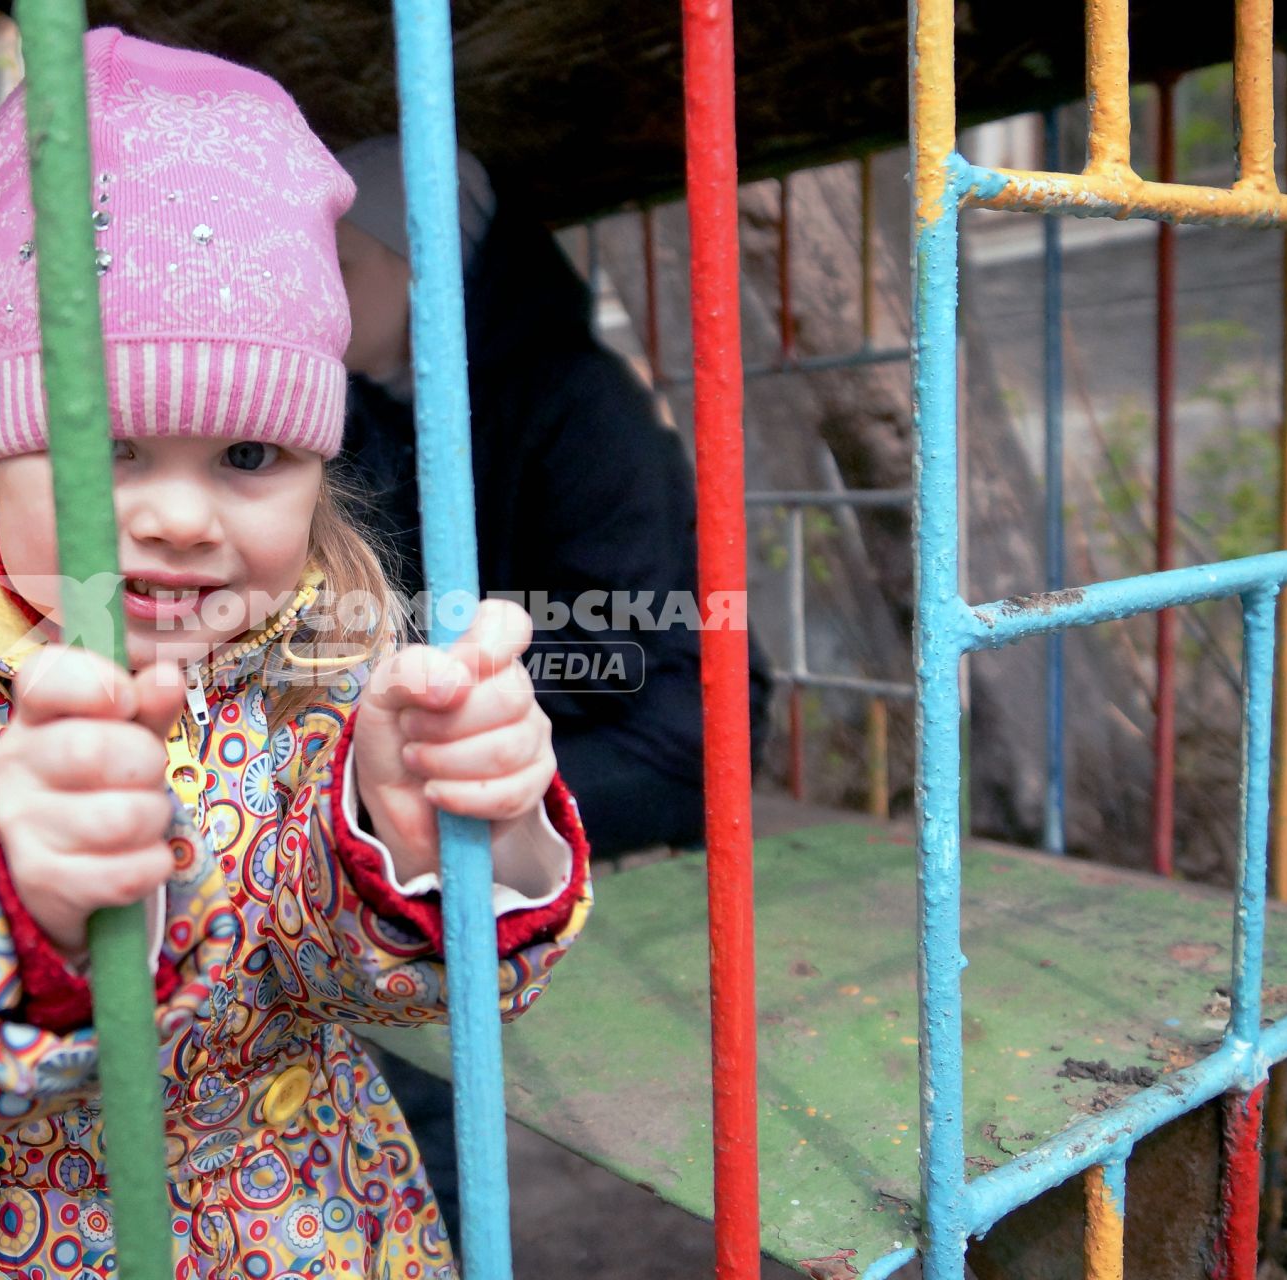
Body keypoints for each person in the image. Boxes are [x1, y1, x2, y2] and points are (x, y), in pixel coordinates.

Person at [0, 30, 590, 1280]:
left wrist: (440, 828)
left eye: (248, 458)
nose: (181, 515)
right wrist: (3, 881)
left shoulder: (318, 640)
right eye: (110, 446)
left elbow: (369, 979)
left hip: (311, 1219)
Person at [334, 136, 770, 1241]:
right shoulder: (373, 408)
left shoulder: (582, 399)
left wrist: (437, 695)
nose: (319, 302)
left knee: (397, 829)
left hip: (666, 731)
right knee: (355, 807)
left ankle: (427, 1203)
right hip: (507, 706)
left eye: (343, 268)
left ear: (430, 269)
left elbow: (616, 640)